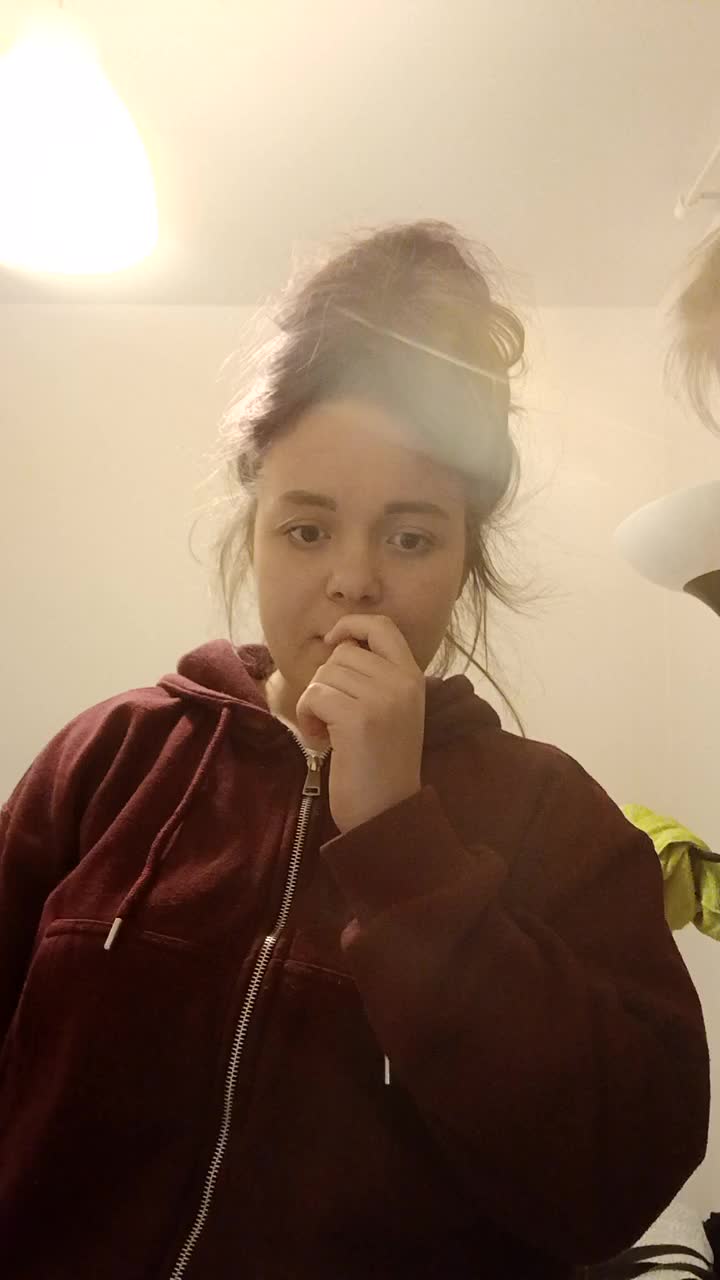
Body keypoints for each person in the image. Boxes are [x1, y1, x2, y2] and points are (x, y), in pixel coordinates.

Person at [0, 221, 709, 1280]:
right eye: (307, 529)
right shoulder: (111, 756)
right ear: (253, 531)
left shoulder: (555, 816)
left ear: (465, 559)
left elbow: (615, 1178)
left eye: (411, 536)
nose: (354, 579)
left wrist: (397, 841)